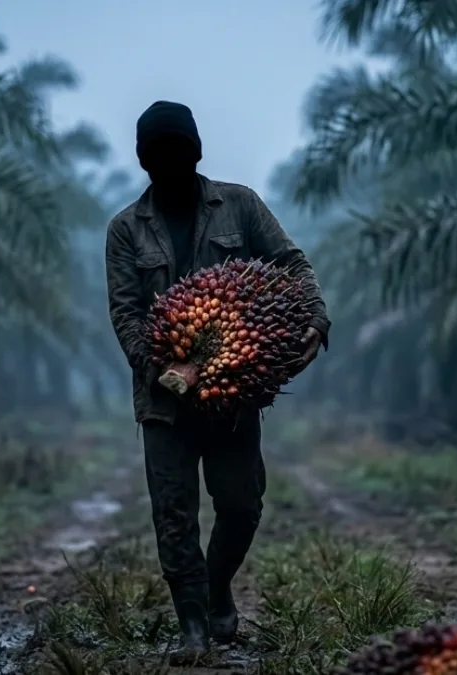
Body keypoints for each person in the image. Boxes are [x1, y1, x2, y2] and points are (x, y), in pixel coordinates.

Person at [104, 100, 331, 664]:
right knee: (174, 513)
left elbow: (292, 265)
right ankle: (194, 629)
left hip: (234, 396)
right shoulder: (126, 229)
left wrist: (316, 320)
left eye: (179, 151)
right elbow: (126, 312)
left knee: (241, 503)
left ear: (198, 151)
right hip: (165, 399)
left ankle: (217, 583)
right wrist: (163, 366)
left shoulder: (240, 206)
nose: (170, 163)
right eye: (158, 155)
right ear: (143, 161)